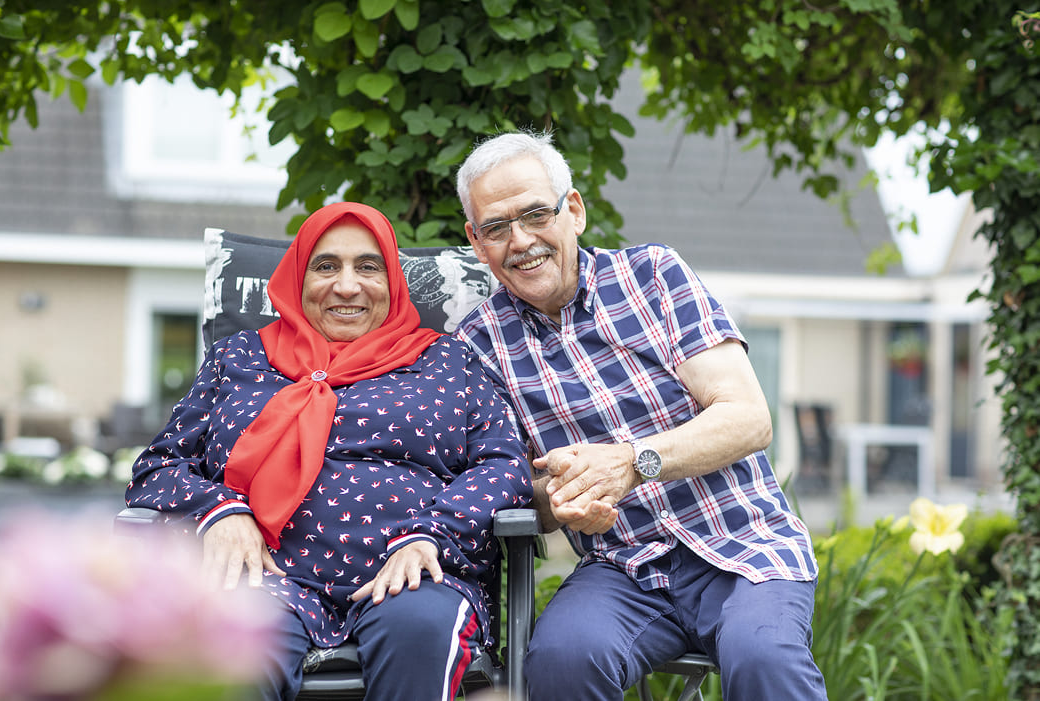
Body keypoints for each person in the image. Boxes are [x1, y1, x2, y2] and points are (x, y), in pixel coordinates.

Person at [454, 131, 827, 700]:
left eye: (535, 214)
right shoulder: (477, 344)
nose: (521, 241)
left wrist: (633, 463)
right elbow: (514, 488)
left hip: (741, 544)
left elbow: (748, 418)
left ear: (572, 211)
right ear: (477, 244)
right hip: (622, 567)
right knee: (559, 660)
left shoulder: (653, 275)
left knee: (763, 656)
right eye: (497, 228)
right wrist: (557, 501)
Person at [126, 202, 533, 701]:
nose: (346, 286)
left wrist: (433, 534)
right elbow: (158, 467)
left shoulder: (446, 360)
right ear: (298, 278)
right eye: (325, 266)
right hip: (265, 576)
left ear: (393, 281)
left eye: (368, 267)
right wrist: (219, 511)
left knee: (420, 631)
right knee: (230, 649)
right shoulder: (239, 357)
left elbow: (504, 464)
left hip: (412, 571)